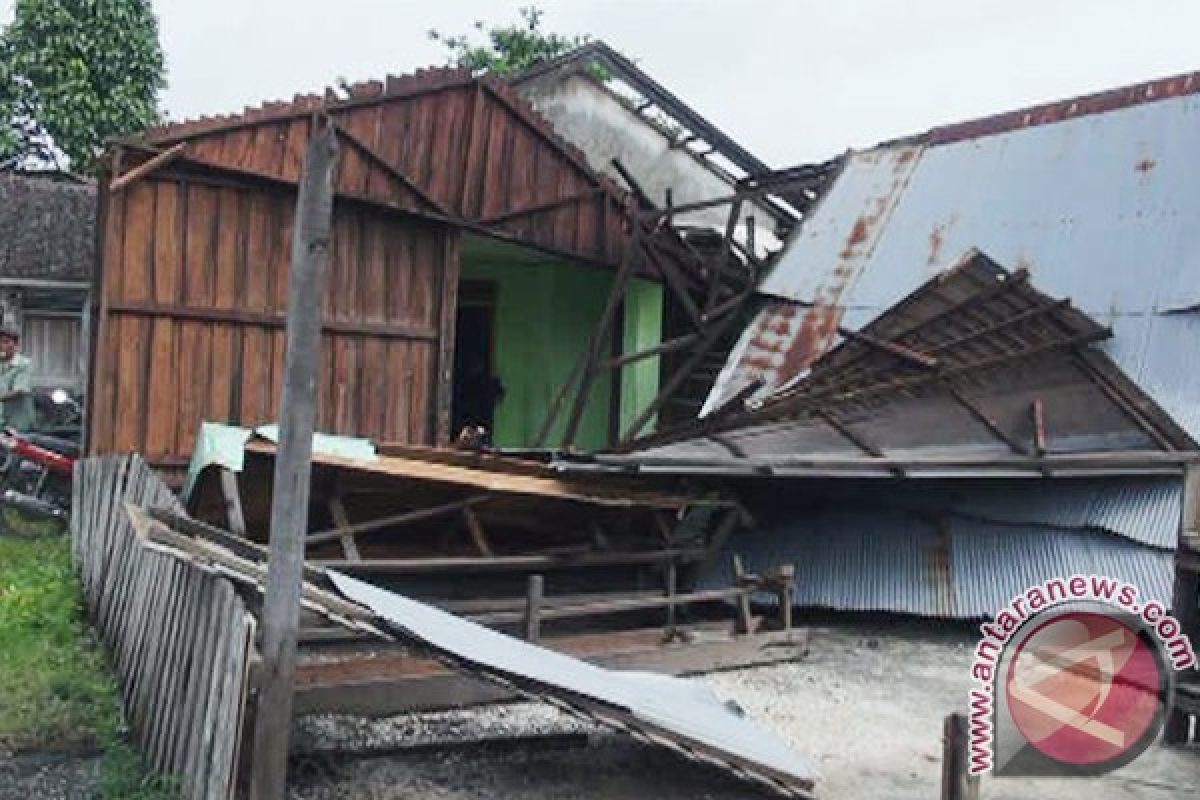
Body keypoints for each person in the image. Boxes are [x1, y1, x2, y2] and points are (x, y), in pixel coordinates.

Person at [0, 323, 34, 432]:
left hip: (18, 424)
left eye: (6, 342)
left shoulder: (24, 364)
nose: (2, 346)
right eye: (0, 342)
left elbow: (18, 391)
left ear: (15, 344)